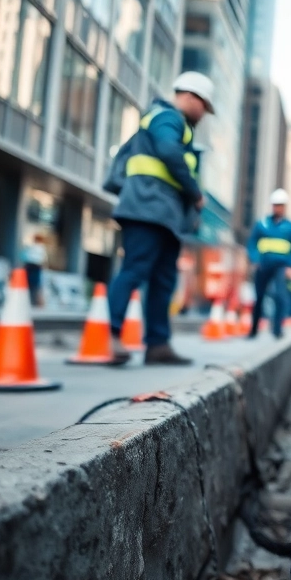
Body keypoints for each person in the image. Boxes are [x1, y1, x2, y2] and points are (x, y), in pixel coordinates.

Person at [105, 71, 213, 364]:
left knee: (163, 279)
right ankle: (112, 337)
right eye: (204, 105)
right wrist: (195, 192)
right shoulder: (168, 117)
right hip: (146, 209)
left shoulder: (178, 126)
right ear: (190, 96)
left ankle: (157, 345)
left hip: (164, 214)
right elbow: (167, 151)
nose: (204, 113)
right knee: (135, 269)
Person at [247, 189, 291, 339]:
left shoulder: (290, 227)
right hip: (263, 265)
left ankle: (277, 330)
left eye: (281, 205)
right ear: (272, 205)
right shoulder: (262, 224)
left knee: (280, 296)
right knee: (259, 297)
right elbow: (252, 243)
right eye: (276, 205)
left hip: (280, 267)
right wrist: (255, 259)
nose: (278, 208)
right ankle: (253, 330)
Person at [22, 234, 47, 307]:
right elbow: (43, 260)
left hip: (30, 266)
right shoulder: (41, 248)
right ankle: (35, 302)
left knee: (29, 285)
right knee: (36, 286)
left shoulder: (31, 247)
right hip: (36, 267)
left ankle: (31, 301)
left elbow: (25, 257)